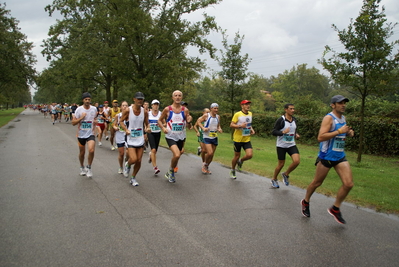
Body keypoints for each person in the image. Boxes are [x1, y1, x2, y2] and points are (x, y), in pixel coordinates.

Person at [301, 95, 355, 224]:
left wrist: (348, 132)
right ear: (333, 105)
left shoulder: (343, 118)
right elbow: (321, 137)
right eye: (340, 103)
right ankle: (306, 201)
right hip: (327, 157)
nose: (343, 105)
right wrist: (339, 131)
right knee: (316, 183)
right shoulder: (329, 118)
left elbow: (342, 132)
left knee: (348, 184)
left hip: (340, 156)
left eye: (344, 103)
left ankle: (335, 208)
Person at [158, 90, 192, 183]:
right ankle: (171, 171)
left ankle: (170, 170)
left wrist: (189, 121)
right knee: (176, 154)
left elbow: (189, 126)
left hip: (181, 136)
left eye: (179, 96)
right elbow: (159, 120)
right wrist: (163, 128)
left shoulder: (184, 110)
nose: (177, 97)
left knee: (178, 155)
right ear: (172, 98)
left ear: (181, 97)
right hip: (170, 136)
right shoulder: (167, 109)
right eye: (176, 95)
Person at [120, 92, 150, 187]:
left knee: (139, 160)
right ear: (134, 99)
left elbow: (146, 123)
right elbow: (120, 121)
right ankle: (128, 165)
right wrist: (126, 129)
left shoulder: (144, 111)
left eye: (141, 99)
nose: (140, 100)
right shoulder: (128, 110)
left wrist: (147, 128)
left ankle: (133, 177)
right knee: (133, 159)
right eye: (138, 99)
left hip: (140, 138)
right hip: (131, 138)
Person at [271, 103, 300, 188]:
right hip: (281, 145)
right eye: (291, 109)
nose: (293, 110)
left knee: (297, 161)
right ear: (286, 110)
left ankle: (285, 174)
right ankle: (274, 179)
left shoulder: (294, 119)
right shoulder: (281, 120)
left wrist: (296, 134)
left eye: (293, 109)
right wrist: (282, 132)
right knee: (281, 164)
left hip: (291, 144)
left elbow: (293, 130)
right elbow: (273, 132)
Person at [72, 92, 98, 178]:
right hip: (81, 134)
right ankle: (81, 167)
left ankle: (89, 167)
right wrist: (81, 118)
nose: (87, 101)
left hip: (91, 133)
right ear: (83, 100)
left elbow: (95, 119)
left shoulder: (94, 109)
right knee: (82, 153)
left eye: (89, 99)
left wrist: (95, 122)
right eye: (86, 99)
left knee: (91, 150)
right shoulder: (78, 110)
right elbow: (73, 123)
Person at [229, 100, 255, 179]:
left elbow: (248, 124)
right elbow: (231, 125)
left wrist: (251, 129)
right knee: (236, 156)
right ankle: (233, 170)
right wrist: (240, 126)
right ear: (242, 106)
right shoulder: (237, 114)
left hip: (246, 138)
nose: (248, 106)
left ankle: (241, 161)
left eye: (249, 104)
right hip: (238, 139)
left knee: (249, 155)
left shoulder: (250, 114)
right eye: (246, 104)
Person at [196, 103, 222, 174]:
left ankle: (206, 166)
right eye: (214, 108)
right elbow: (198, 122)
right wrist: (203, 128)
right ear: (211, 109)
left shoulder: (218, 117)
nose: (216, 110)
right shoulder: (206, 115)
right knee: (209, 153)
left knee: (212, 154)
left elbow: (218, 126)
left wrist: (219, 129)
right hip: (207, 137)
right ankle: (204, 165)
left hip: (214, 136)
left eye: (217, 108)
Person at [113, 101, 129, 174]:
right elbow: (114, 124)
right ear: (121, 107)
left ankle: (127, 163)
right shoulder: (118, 116)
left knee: (128, 153)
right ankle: (120, 167)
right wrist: (115, 127)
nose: (125, 107)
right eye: (123, 105)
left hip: (128, 136)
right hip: (119, 135)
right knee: (121, 153)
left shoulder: (130, 115)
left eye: (126, 105)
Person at [147, 99, 163, 175]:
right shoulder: (148, 114)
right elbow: (145, 122)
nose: (156, 106)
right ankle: (155, 167)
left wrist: (163, 126)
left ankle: (151, 155)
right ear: (152, 105)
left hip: (158, 133)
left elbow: (164, 123)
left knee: (154, 151)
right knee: (153, 149)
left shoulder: (161, 114)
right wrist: (147, 128)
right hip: (151, 133)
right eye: (154, 104)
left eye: (157, 105)